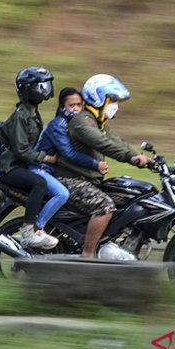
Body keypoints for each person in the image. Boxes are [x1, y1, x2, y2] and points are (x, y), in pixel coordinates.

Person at [55, 74, 153, 260]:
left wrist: (140, 156)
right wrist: (131, 158)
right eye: (113, 100)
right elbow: (103, 144)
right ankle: (88, 254)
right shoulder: (81, 122)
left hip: (87, 180)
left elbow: (116, 141)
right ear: (98, 98)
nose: (115, 105)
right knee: (105, 206)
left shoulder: (98, 123)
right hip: (70, 180)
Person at [0, 67, 60, 250]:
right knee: (39, 183)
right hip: (10, 168)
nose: (45, 89)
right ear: (28, 89)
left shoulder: (34, 113)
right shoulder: (21, 116)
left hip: (23, 165)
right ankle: (28, 233)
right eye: (41, 85)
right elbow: (21, 151)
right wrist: (47, 159)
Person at [33, 87, 108, 230]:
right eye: (72, 105)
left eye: (79, 105)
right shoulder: (58, 125)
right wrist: (95, 164)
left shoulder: (73, 124)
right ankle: (37, 228)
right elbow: (69, 153)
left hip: (52, 170)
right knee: (62, 194)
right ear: (62, 107)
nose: (76, 109)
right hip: (41, 168)